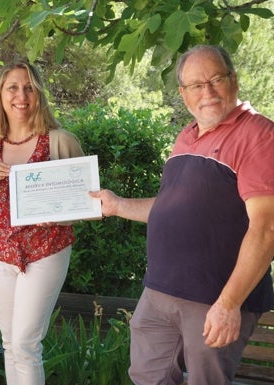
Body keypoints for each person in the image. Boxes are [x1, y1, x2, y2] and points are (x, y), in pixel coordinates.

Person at [90, 45, 274, 385]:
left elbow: (266, 229)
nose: (208, 92)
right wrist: (117, 205)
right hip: (160, 293)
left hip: (213, 299)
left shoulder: (259, 135)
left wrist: (229, 304)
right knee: (147, 377)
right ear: (182, 93)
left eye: (216, 79)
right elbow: (171, 208)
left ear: (234, 80)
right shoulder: (187, 136)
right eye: (196, 85)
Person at [0, 59, 84, 384]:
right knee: (9, 343)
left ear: (39, 94)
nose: (21, 95)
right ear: (0, 95)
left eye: (29, 87)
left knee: (25, 343)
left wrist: (56, 212)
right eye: (12, 87)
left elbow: (85, 201)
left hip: (45, 251)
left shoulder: (60, 141)